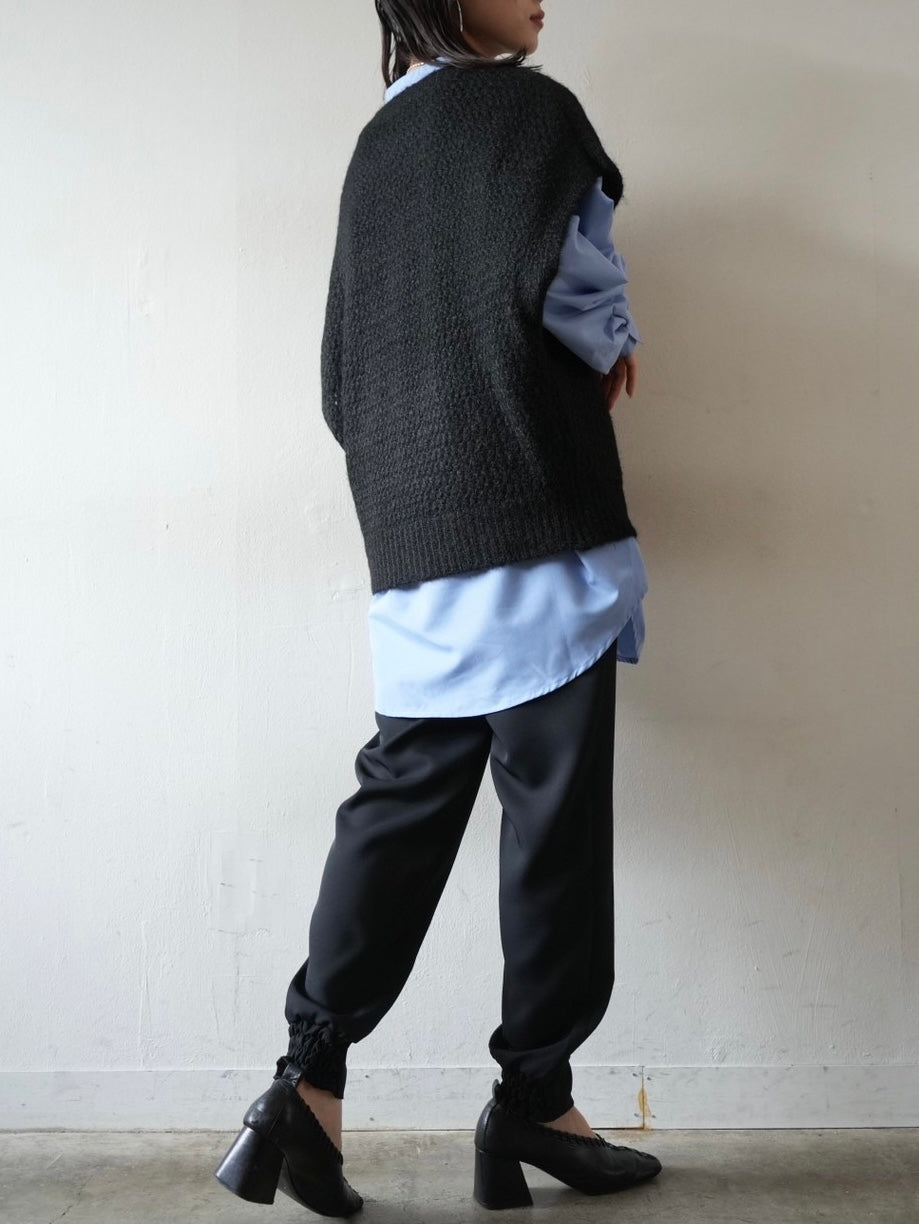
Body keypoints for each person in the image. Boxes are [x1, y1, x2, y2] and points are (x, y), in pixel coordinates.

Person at [215, 0, 662, 1214]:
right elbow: (566, 284)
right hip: (528, 501)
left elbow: (339, 367)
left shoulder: (378, 144)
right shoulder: (530, 112)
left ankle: (304, 1088)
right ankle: (534, 1102)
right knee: (550, 822)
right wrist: (614, 339)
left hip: (415, 523)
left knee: (404, 799)